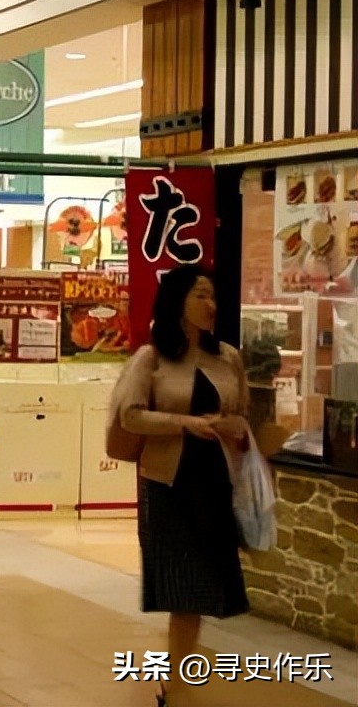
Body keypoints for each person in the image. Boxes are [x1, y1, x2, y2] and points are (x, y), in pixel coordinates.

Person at [113, 265, 250, 707]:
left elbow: (244, 412)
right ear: (177, 302)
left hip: (216, 480)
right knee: (182, 588)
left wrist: (237, 428)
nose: (211, 305)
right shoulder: (151, 358)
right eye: (200, 296)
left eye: (213, 296)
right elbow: (130, 415)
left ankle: (178, 678)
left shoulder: (228, 356)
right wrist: (185, 424)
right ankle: (175, 686)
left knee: (205, 586)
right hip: (168, 482)